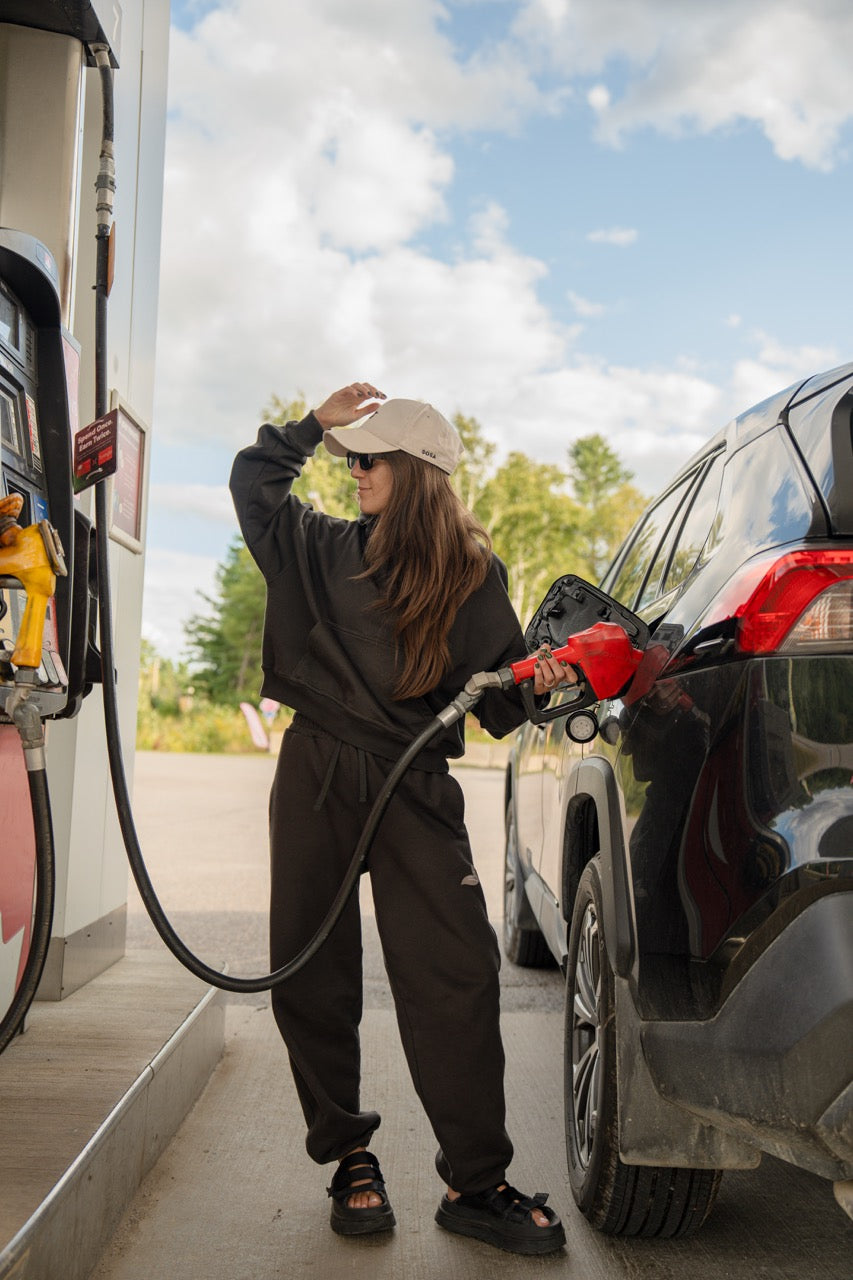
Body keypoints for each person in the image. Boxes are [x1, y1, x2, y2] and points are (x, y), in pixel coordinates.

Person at [229, 382, 574, 1256]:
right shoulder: (313, 546)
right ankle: (349, 1159)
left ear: (419, 472)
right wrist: (313, 425)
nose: (354, 469)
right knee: (312, 971)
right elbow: (253, 483)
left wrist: (560, 674)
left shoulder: (470, 574)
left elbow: (502, 701)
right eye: (351, 457)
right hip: (317, 772)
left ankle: (475, 1183)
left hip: (415, 783)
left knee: (453, 975)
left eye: (370, 458)